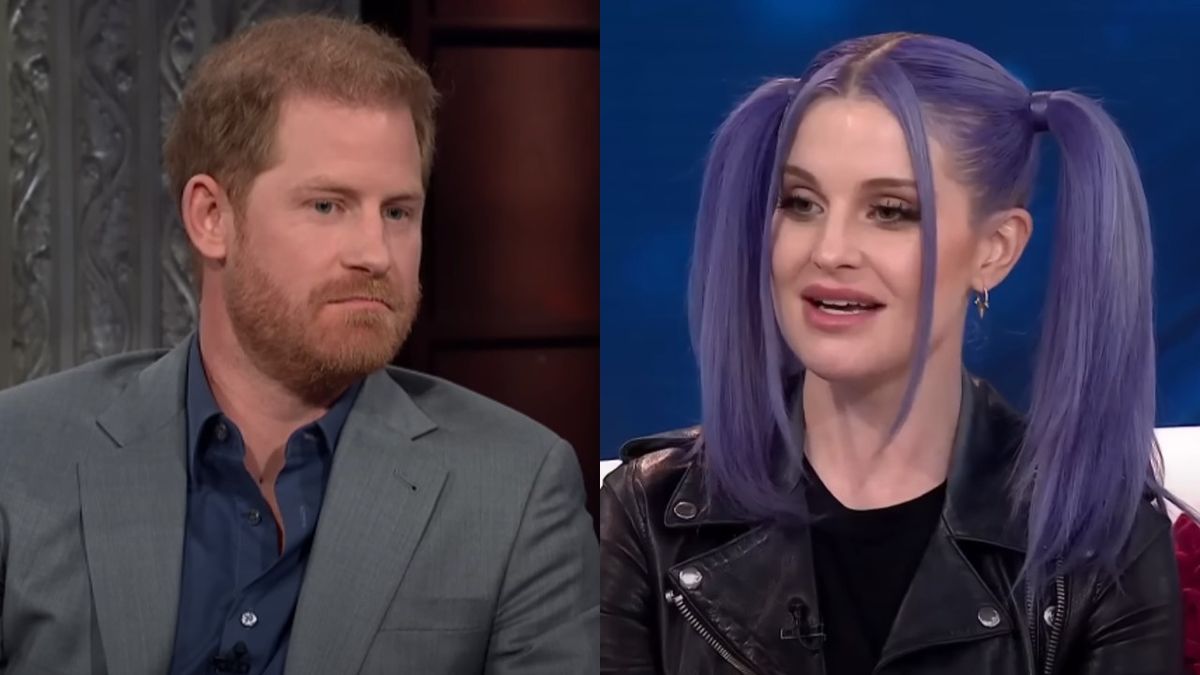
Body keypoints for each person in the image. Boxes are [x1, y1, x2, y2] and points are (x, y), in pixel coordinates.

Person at [0, 15, 597, 675]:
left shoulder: (515, 485)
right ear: (212, 217)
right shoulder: (21, 455)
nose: (375, 253)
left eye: (397, 212)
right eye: (327, 206)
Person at [601, 32, 1183, 674]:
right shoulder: (646, 515)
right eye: (801, 203)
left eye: (890, 211)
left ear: (996, 249)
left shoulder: (1104, 541)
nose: (829, 250)